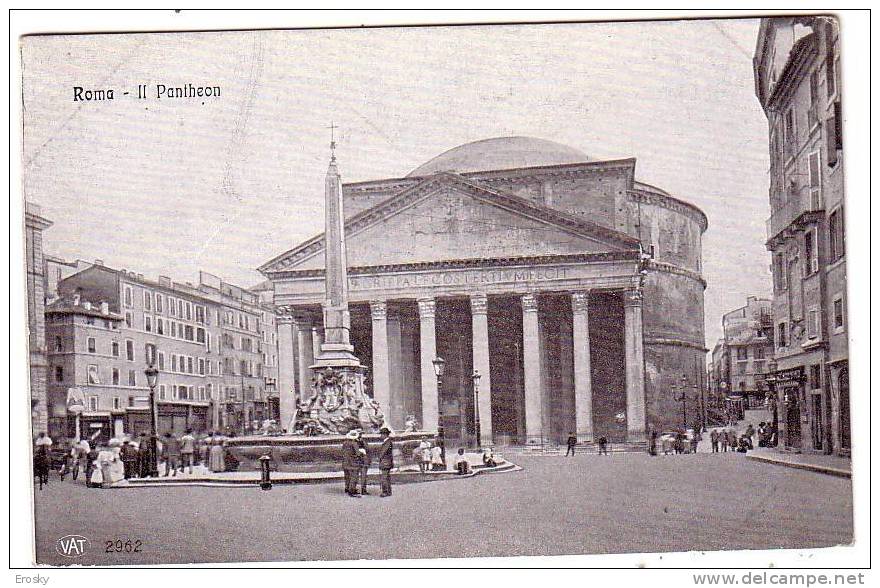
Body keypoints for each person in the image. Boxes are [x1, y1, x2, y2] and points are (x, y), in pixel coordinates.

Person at [341, 430, 362, 497]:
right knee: (354, 477)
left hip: (345, 462)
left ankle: (347, 488)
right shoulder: (354, 443)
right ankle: (352, 490)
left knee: (347, 476)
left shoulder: (345, 443)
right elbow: (358, 453)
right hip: (353, 463)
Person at [378, 426, 394, 498]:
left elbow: (383, 452)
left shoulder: (387, 442)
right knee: (387, 477)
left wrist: (379, 457)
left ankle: (385, 492)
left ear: (385, 435)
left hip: (385, 462)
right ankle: (388, 491)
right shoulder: (388, 442)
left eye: (381, 434)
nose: (381, 436)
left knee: (384, 477)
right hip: (387, 462)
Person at [356, 430, 371, 495]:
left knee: (364, 476)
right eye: (359, 434)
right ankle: (352, 489)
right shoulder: (353, 442)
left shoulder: (363, 441)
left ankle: (363, 489)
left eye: (361, 434)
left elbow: (367, 449)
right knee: (355, 476)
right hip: (356, 461)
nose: (360, 435)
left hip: (363, 461)